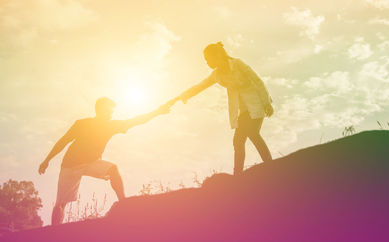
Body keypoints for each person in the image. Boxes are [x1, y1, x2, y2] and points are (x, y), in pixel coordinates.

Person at [38, 97, 172, 225]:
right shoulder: (82, 124)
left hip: (91, 162)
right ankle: (54, 231)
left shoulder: (111, 125)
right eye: (108, 110)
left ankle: (123, 203)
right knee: (61, 203)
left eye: (112, 111)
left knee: (113, 170)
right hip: (70, 165)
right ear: (98, 110)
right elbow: (63, 141)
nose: (110, 114)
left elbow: (136, 121)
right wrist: (47, 160)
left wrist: (157, 112)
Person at [176, 42, 274, 175]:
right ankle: (237, 175)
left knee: (253, 133)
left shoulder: (238, 64)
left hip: (256, 103)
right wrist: (186, 94)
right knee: (238, 141)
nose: (206, 62)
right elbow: (202, 85)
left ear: (217, 55)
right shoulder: (217, 75)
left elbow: (257, 81)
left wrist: (266, 102)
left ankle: (271, 166)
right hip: (243, 110)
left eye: (208, 58)